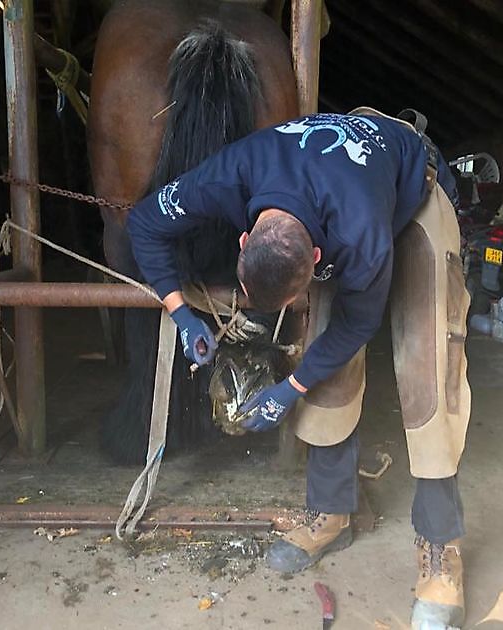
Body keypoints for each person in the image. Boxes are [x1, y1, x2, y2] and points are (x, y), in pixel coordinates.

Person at [126, 107, 471, 629]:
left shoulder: (357, 232)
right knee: (324, 359)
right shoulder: (229, 175)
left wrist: (289, 387)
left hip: (413, 188)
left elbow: (361, 326)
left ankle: (441, 548)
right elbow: (144, 221)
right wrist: (181, 314)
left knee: (428, 361)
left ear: (314, 255)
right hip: (337, 192)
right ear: (245, 238)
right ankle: (332, 511)